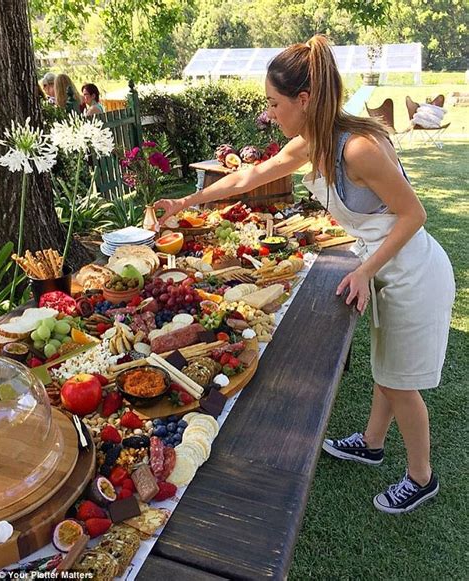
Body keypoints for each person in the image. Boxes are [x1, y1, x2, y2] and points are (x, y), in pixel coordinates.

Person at [155, 35, 455, 514]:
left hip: (414, 272)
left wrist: (365, 270)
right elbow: (246, 178)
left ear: (304, 99)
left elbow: (414, 215)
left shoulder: (358, 148)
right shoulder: (310, 144)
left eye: (274, 103)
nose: (270, 113)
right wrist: (185, 202)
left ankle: (422, 477)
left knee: (401, 382)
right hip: (382, 268)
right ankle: (372, 445)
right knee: (387, 368)